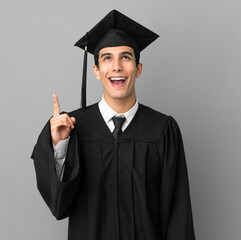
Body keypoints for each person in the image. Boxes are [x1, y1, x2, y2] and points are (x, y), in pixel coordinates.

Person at [31, 9, 196, 240]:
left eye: (126, 57)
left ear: (138, 69)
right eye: (107, 58)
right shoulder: (72, 129)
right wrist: (61, 147)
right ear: (97, 71)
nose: (116, 66)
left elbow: (178, 217)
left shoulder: (162, 130)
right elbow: (59, 208)